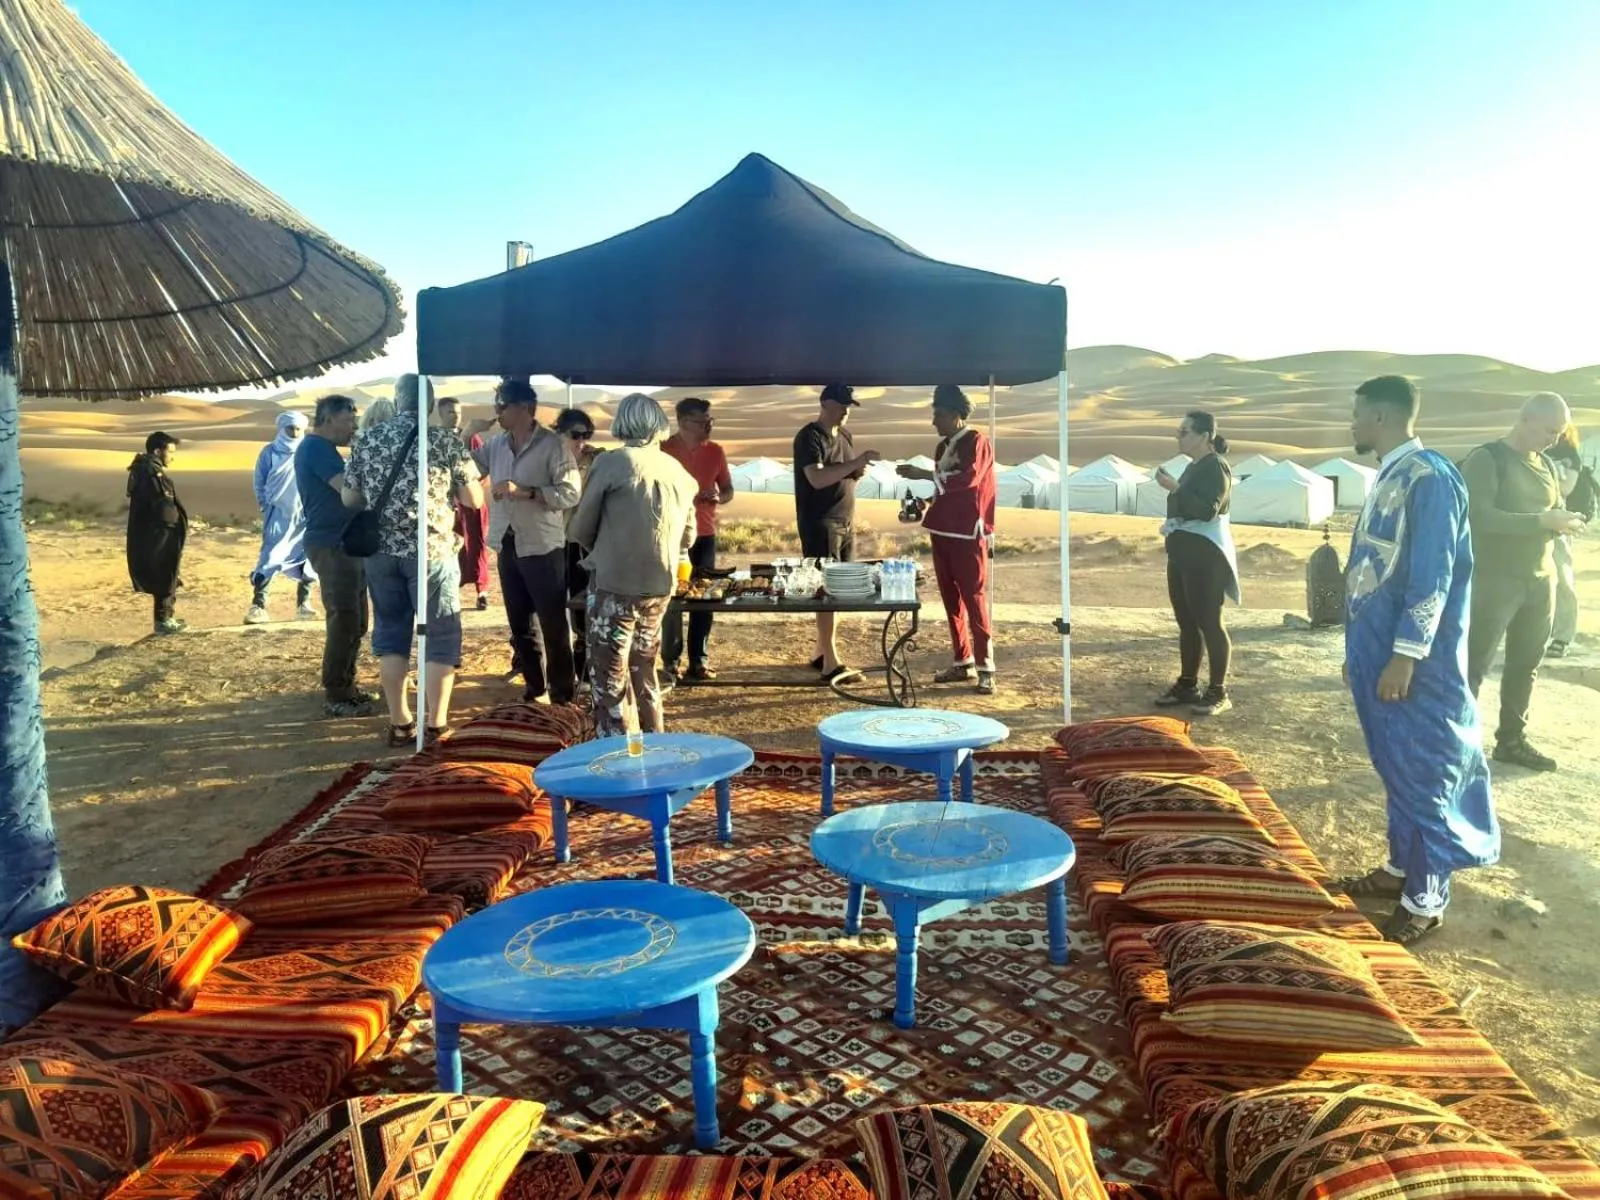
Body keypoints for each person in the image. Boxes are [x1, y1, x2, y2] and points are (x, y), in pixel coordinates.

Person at [1336, 374, 1497, 945]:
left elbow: (1433, 574)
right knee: (1396, 764)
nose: (1352, 423)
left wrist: (1405, 656)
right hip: (1378, 653)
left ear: (1380, 416)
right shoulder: (1393, 472)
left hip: (1417, 665)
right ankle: (1400, 868)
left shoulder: (1431, 478)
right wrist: (1361, 651)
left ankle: (1425, 900)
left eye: (1357, 413)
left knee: (1425, 770)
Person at [345, 374, 482, 745]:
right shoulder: (444, 440)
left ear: (397, 400)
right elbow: (473, 499)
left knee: (391, 634)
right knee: (441, 635)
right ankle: (436, 724)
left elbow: (350, 499)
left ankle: (401, 722)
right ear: (431, 404)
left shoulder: (368, 438)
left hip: (381, 552)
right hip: (432, 552)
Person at [1460, 392, 1586, 771]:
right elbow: (1478, 518)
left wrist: (1562, 520)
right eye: (1549, 430)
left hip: (1540, 579)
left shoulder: (1545, 463)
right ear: (1525, 418)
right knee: (1473, 665)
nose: (1553, 439)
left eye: (1559, 433)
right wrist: (1541, 522)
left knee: (1525, 664)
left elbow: (1549, 510)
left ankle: (1512, 741)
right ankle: (1456, 743)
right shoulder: (1488, 459)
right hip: (1494, 582)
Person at [569, 393, 697, 738]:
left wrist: (606, 549)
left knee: (609, 677)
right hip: (659, 586)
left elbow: (581, 528)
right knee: (645, 669)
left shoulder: (613, 463)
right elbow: (688, 537)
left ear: (623, 422)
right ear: (658, 426)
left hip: (615, 585)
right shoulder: (678, 470)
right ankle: (654, 746)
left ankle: (616, 756)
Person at [463, 380, 581, 705]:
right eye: (496, 404)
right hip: (507, 543)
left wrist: (526, 492)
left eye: (503, 405)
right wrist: (466, 434)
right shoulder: (496, 445)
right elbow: (463, 470)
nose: (497, 411)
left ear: (525, 408)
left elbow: (570, 493)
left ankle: (562, 696)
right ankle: (535, 689)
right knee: (520, 625)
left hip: (542, 546)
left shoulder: (553, 446)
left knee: (553, 625)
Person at [896, 385, 998, 694]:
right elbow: (944, 488)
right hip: (941, 530)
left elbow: (969, 479)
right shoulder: (943, 447)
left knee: (974, 599)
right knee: (950, 600)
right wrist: (923, 503)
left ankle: (986, 668)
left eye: (939, 415)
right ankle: (962, 660)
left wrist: (923, 474)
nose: (934, 422)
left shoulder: (977, 442)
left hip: (968, 532)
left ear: (955, 415)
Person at [295, 395, 379, 718]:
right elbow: (350, 492)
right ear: (328, 419)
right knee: (344, 619)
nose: (353, 426)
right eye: (348, 420)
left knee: (356, 620)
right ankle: (337, 693)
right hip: (331, 544)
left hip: (345, 543)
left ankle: (347, 685)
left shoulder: (325, 449)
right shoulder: (316, 448)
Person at [1152, 411, 1240, 716]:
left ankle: (1218, 691)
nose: (1178, 437)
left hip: (1205, 557)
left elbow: (1206, 510)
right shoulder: (1193, 467)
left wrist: (1175, 488)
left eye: (1184, 431)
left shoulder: (1216, 467)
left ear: (1204, 436)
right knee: (1187, 622)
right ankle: (1188, 684)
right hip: (1183, 554)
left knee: (1209, 622)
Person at [792, 383, 880, 682]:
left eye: (848, 405)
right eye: (841, 404)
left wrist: (856, 471)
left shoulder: (845, 436)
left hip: (845, 521)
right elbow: (816, 478)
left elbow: (843, 473)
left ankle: (821, 652)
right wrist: (854, 463)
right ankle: (831, 661)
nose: (845, 410)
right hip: (820, 522)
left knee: (839, 590)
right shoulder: (810, 437)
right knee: (826, 590)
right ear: (825, 403)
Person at [660, 396, 734, 683]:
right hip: (671, 537)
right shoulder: (662, 450)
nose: (708, 426)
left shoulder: (716, 451)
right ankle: (670, 662)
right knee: (672, 598)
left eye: (710, 421)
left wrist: (719, 497)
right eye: (702, 422)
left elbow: (728, 490)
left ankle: (699, 661)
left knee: (705, 596)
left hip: (705, 534)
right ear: (682, 422)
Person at [245, 411, 316, 624]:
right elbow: (259, 480)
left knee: (307, 557)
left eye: (297, 429)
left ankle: (304, 605)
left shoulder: (308, 451)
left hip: (305, 514)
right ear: (282, 428)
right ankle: (258, 606)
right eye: (290, 428)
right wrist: (265, 504)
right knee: (270, 556)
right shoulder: (270, 452)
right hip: (277, 513)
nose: (294, 432)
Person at [555, 406, 602, 687]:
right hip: (551, 541)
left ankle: (584, 667)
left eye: (587, 435)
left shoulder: (597, 461)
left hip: (583, 544)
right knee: (551, 608)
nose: (581, 441)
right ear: (560, 434)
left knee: (583, 607)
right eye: (575, 435)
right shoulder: (550, 459)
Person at [125, 431, 188, 635]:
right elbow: (162, 506)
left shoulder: (146, 469)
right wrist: (174, 523)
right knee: (164, 574)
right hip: (157, 535)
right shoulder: (150, 472)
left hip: (157, 533)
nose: (173, 457)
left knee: (166, 573)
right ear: (157, 451)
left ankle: (166, 618)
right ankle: (163, 621)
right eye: (170, 451)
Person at [434, 395, 491, 611]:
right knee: (446, 544)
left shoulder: (471, 438)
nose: (455, 416)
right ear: (440, 413)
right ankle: (449, 586)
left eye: (458, 413)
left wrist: (470, 486)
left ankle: (482, 591)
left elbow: (482, 469)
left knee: (476, 543)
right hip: (443, 504)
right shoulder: (435, 438)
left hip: (471, 502)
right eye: (450, 412)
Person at [1546, 422, 1589, 658]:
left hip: (1559, 525)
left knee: (1563, 580)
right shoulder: (1534, 450)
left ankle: (1562, 636)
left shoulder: (1569, 455)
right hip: (1531, 521)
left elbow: (1566, 489)